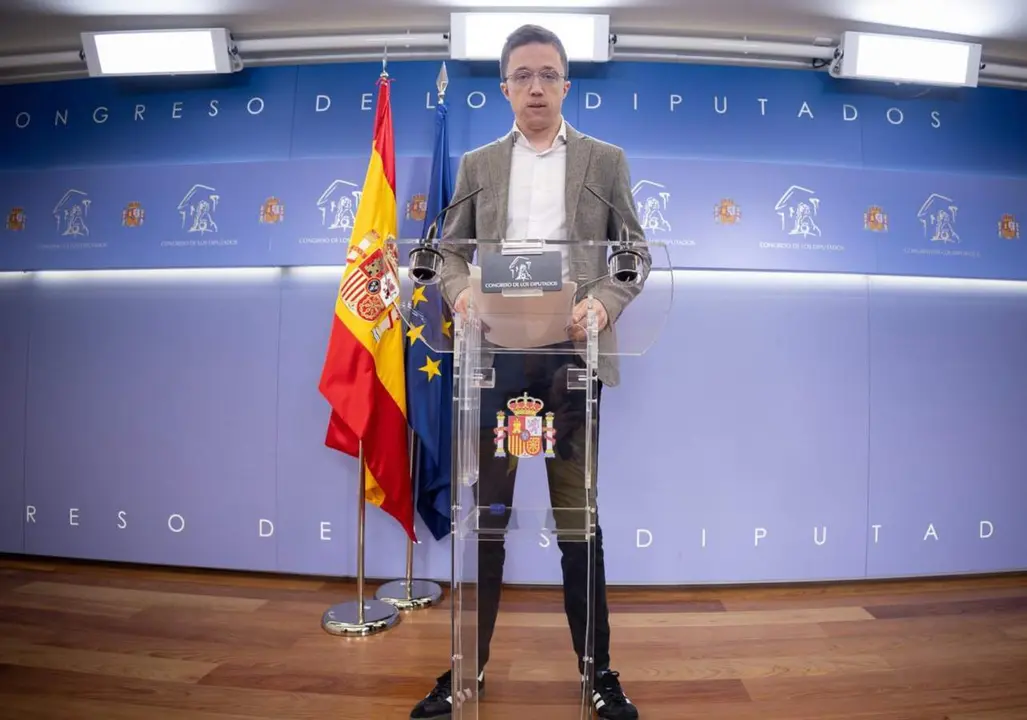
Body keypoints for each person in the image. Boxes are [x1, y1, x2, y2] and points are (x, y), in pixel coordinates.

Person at [409, 23, 650, 720]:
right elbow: (447, 255)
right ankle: (464, 671)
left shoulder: (604, 161)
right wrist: (459, 295)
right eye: (523, 76)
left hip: (570, 362)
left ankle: (597, 676)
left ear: (566, 84)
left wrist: (602, 306)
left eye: (548, 74)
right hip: (495, 361)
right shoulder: (479, 165)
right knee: (487, 519)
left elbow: (634, 255)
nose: (536, 87)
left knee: (578, 519)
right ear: (505, 87)